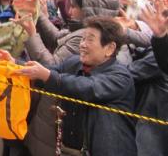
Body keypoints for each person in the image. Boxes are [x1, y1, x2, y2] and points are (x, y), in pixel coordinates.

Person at [15, 16, 137, 156]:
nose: (82, 44)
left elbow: (87, 88)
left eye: (90, 39)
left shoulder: (121, 76)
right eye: (83, 38)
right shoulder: (74, 63)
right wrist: (14, 64)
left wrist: (47, 75)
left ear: (109, 48)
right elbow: (48, 72)